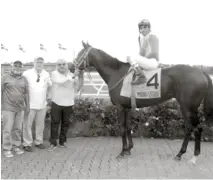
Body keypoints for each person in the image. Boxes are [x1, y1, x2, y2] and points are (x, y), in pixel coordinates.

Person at [48, 58, 80, 151]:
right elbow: (60, 82)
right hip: (57, 102)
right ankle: (53, 143)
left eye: (63, 64)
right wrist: (73, 77)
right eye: (59, 64)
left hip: (69, 103)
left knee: (65, 123)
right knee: (55, 123)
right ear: (56, 66)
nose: (61, 66)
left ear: (66, 65)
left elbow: (76, 88)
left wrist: (76, 79)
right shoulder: (54, 74)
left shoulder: (71, 75)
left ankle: (62, 142)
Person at [22, 56, 52, 152]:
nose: (39, 64)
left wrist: (48, 99)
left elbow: (50, 86)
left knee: (40, 125)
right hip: (29, 104)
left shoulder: (46, 74)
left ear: (43, 64)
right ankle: (27, 143)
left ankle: (39, 142)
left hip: (42, 104)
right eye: (37, 62)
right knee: (27, 125)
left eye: (41, 62)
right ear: (33, 63)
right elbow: (22, 87)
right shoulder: (27, 73)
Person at [1, 60, 29, 157]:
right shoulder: (5, 77)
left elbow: (26, 93)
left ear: (22, 67)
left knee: (17, 129)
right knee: (7, 129)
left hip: (20, 108)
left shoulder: (24, 79)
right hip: (8, 108)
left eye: (19, 66)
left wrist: (28, 106)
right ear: (11, 67)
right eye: (15, 65)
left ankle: (16, 146)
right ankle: (6, 149)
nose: (17, 67)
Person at [127, 19, 159, 84]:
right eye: (141, 28)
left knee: (132, 57)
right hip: (146, 62)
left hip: (153, 62)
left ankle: (141, 77)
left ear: (149, 28)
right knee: (129, 58)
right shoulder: (141, 39)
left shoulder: (153, 37)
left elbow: (154, 53)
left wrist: (140, 60)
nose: (143, 30)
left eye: (145, 27)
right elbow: (141, 54)